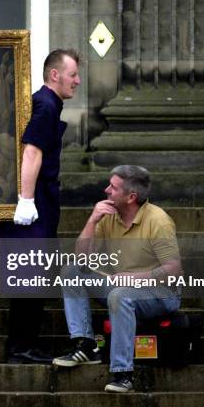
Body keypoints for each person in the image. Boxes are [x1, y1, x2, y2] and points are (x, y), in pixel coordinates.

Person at [53, 165, 182, 392]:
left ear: (131, 197)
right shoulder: (108, 217)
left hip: (162, 295)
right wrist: (92, 220)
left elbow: (172, 270)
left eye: (112, 187)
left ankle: (123, 374)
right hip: (120, 288)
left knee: (120, 295)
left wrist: (135, 279)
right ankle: (86, 345)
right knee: (72, 271)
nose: (106, 190)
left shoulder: (158, 220)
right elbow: (82, 260)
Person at [1, 49, 81, 363]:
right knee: (29, 276)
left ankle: (22, 345)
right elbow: (32, 153)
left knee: (30, 275)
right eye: (72, 74)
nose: (77, 81)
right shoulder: (46, 105)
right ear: (54, 75)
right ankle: (21, 348)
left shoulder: (46, 103)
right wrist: (26, 200)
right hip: (34, 206)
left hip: (38, 202)